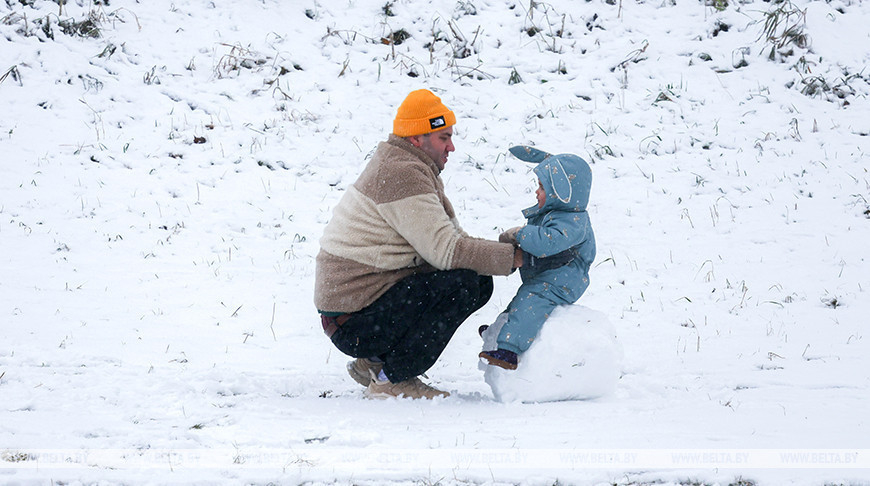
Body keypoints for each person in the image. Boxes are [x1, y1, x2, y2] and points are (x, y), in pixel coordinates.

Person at [313, 89, 524, 399]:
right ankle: (393, 378)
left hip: (355, 312)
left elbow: (453, 243)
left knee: (476, 280)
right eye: (444, 138)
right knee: (464, 284)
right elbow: (447, 251)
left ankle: (372, 363)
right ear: (416, 138)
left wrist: (507, 248)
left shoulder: (407, 164)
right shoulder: (402, 173)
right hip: (353, 321)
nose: (452, 146)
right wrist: (516, 258)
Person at [479, 149, 596, 370]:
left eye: (542, 187)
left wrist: (520, 234)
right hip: (550, 275)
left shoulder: (573, 221)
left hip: (564, 279)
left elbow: (547, 243)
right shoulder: (559, 214)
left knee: (530, 304)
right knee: (519, 302)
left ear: (562, 191)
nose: (536, 192)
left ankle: (509, 350)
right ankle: (496, 333)